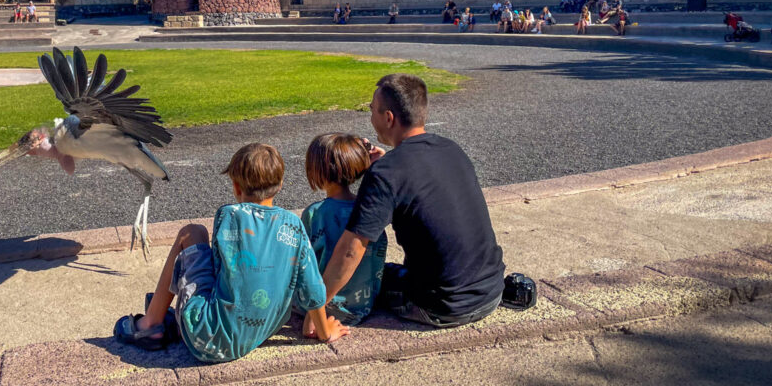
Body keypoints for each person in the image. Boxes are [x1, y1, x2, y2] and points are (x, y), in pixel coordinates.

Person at [114, 143, 348, 359]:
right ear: (280, 184)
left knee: (192, 233)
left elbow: (219, 270)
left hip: (205, 338)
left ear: (236, 187)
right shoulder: (293, 225)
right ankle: (167, 316)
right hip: (256, 334)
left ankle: (151, 324)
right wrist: (325, 332)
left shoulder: (229, 216)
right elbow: (313, 288)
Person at [319, 74, 505, 328]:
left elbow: (352, 250)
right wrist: (387, 163)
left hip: (442, 305)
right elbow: (415, 176)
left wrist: (316, 311)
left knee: (366, 278)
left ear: (388, 118)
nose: (371, 117)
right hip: (491, 290)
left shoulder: (386, 173)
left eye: (372, 110)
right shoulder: (450, 149)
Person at [299, 134, 387, 331]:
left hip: (322, 310)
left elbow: (301, 265)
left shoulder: (316, 213)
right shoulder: (369, 210)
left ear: (316, 170)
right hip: (363, 306)